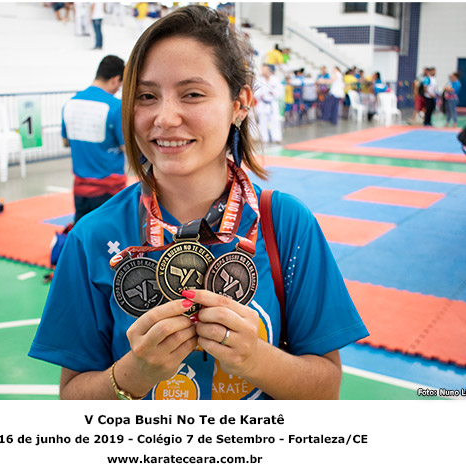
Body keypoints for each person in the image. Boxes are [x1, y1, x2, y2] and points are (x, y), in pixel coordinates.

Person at [29, 5, 368, 400]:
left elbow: (325, 390)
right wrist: (135, 373)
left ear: (240, 104)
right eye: (146, 96)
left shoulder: (286, 224)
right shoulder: (93, 237)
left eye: (192, 94)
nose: (165, 117)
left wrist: (254, 358)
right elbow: (73, 400)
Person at [61, 54, 126, 223]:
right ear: (115, 79)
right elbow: (126, 147)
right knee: (110, 236)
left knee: (83, 232)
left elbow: (65, 142)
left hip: (81, 189)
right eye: (119, 86)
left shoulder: (70, 103)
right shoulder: (115, 106)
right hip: (109, 190)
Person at [254, 63, 283, 143]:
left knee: (275, 121)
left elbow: (280, 90)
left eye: (265, 69)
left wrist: (273, 93)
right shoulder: (259, 80)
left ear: (269, 70)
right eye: (262, 69)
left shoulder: (275, 79)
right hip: (262, 103)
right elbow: (255, 91)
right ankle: (264, 138)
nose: (263, 71)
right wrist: (261, 94)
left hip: (272, 103)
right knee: (263, 122)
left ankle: (276, 138)